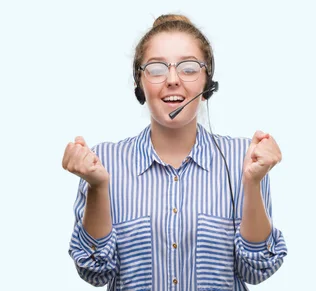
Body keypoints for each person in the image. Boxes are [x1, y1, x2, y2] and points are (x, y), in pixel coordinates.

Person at [63, 14, 287, 290]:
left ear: (208, 83)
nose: (172, 79)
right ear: (139, 83)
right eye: (157, 68)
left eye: (189, 68)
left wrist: (252, 183)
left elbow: (257, 269)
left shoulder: (245, 158)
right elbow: (94, 271)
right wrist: (98, 187)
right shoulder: (103, 163)